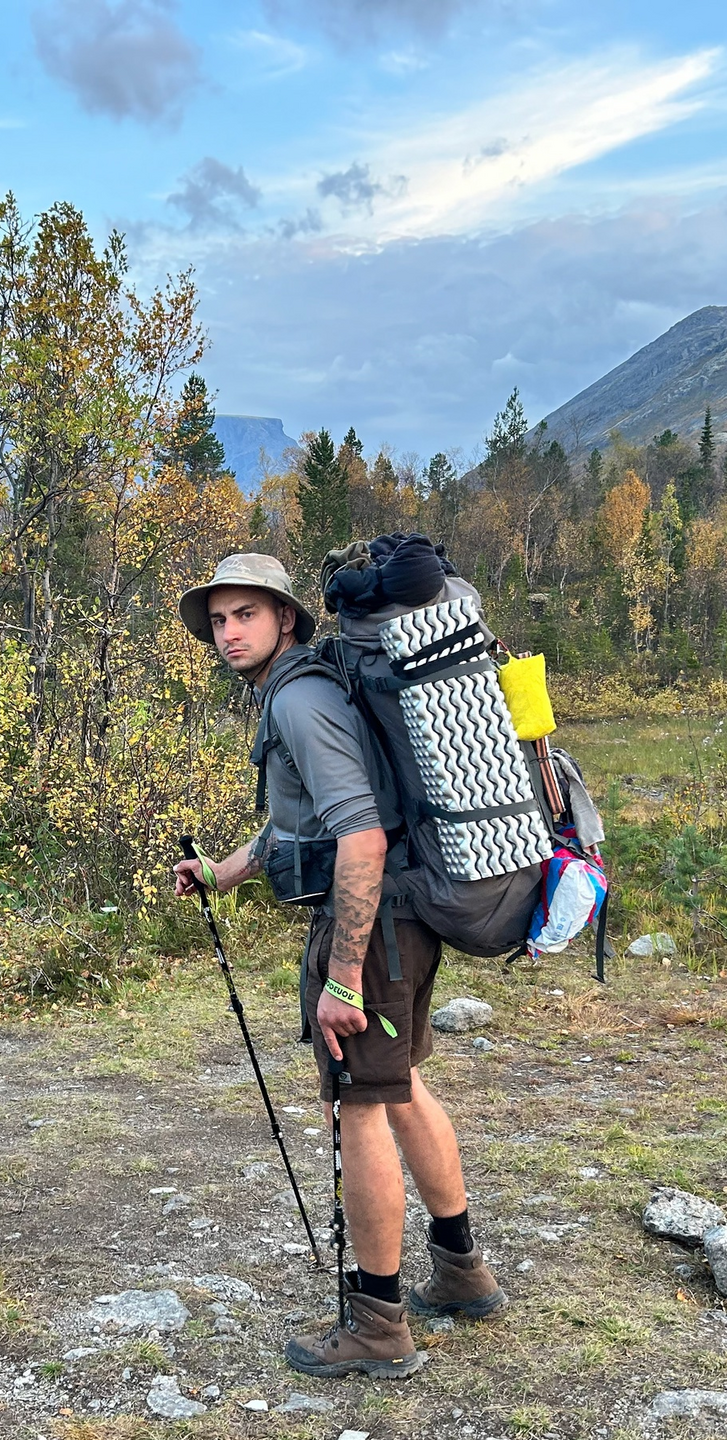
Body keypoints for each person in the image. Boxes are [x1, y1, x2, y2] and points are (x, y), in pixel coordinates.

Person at [171, 553, 505, 1380]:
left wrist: (345, 977)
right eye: (218, 620)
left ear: (286, 618)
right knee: (401, 1092)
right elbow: (303, 827)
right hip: (401, 921)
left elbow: (358, 836)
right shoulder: (305, 690)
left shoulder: (303, 698)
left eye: (246, 614)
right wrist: (223, 870)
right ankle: (461, 1272)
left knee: (359, 1110)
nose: (229, 633)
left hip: (374, 932)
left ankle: (379, 1325)